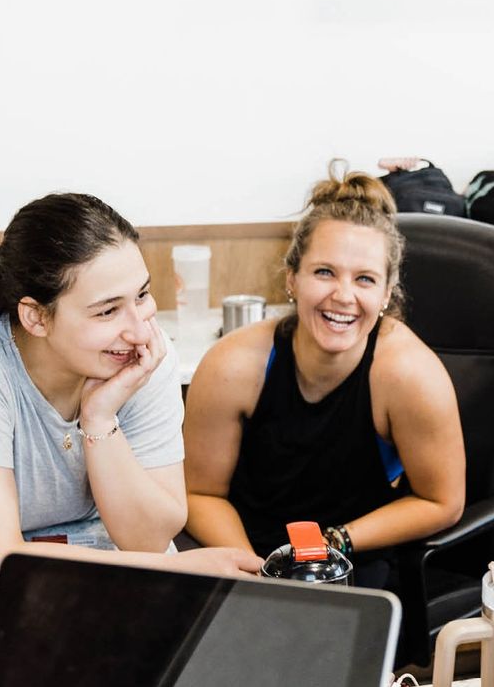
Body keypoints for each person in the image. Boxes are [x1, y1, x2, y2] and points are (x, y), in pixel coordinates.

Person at [0, 193, 261, 597]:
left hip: (70, 560)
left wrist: (100, 419)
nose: (140, 330)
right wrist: (172, 570)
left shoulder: (142, 354)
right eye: (107, 311)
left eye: (142, 296)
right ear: (36, 317)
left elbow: (147, 539)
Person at [182, 162, 466, 588]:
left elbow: (442, 501)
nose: (343, 295)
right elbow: (201, 493)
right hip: (245, 552)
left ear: (386, 294)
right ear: (292, 279)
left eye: (365, 279)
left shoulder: (409, 374)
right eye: (324, 272)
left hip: (355, 556)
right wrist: (256, 573)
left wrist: (331, 543)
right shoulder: (232, 365)